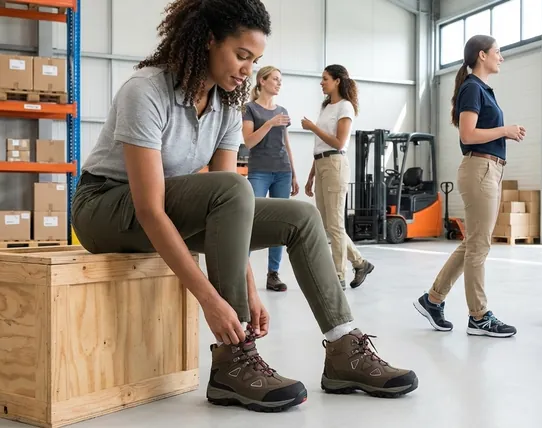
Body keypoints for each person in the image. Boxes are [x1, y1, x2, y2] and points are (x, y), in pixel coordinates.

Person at [71, 0, 417, 413]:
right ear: (208, 41)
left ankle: (344, 350)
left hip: (165, 204)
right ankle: (232, 359)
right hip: (105, 206)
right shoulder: (145, 90)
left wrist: (249, 289)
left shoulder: (226, 107)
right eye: (241, 55)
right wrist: (212, 302)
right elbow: (149, 208)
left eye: (255, 60)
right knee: (234, 189)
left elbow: (230, 211)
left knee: (301, 216)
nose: (247, 69)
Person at [412, 35, 525, 338]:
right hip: (480, 168)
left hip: (488, 169)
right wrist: (506, 130)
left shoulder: (480, 88)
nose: (501, 57)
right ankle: (479, 316)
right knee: (479, 246)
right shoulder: (473, 88)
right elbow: (468, 134)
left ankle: (433, 300)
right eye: (497, 53)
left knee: (473, 243)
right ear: (482, 55)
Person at [301, 64, 374, 290]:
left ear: (337, 81)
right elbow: (320, 145)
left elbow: (339, 143)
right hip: (321, 163)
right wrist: (311, 175)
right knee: (327, 224)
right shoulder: (326, 107)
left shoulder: (345, 107)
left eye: (325, 79)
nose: (321, 82)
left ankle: (338, 276)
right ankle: (360, 263)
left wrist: (313, 127)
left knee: (335, 224)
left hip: (335, 164)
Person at [242, 65, 298, 292]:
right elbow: (248, 142)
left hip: (282, 172)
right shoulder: (249, 109)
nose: (278, 83)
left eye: (280, 80)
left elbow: (286, 144)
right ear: (262, 81)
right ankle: (240, 273)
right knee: (248, 220)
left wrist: (294, 173)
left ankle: (273, 274)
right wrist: (269, 123)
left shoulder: (282, 110)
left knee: (279, 225)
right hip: (259, 172)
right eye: (275, 79)